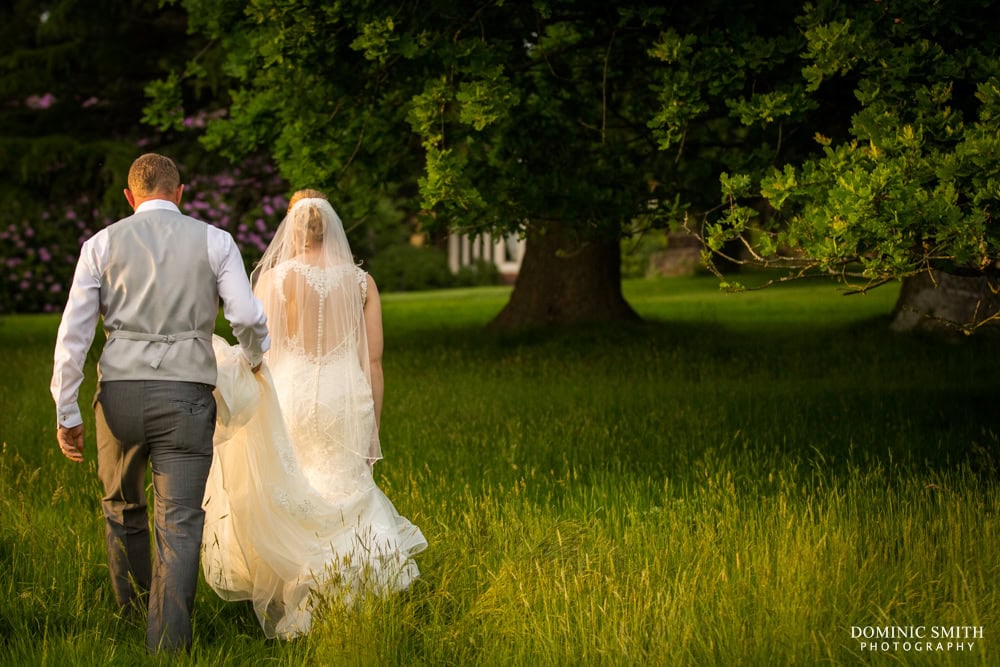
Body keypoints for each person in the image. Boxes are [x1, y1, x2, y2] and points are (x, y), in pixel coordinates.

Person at [50, 153, 270, 652]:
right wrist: (254, 357)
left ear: (130, 198)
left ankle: (131, 616)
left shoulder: (100, 244)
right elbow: (246, 316)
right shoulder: (215, 240)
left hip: (120, 398)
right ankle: (168, 642)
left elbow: (74, 336)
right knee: (180, 520)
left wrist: (68, 411)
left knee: (122, 506)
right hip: (188, 395)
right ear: (180, 193)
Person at [202, 189, 426, 638]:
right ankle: (354, 590)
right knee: (346, 485)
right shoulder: (362, 282)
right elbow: (374, 363)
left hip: (293, 395)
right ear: (330, 225)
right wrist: (373, 428)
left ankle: (300, 587)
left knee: (296, 491)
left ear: (292, 227)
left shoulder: (276, 279)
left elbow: (258, 350)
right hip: (346, 396)